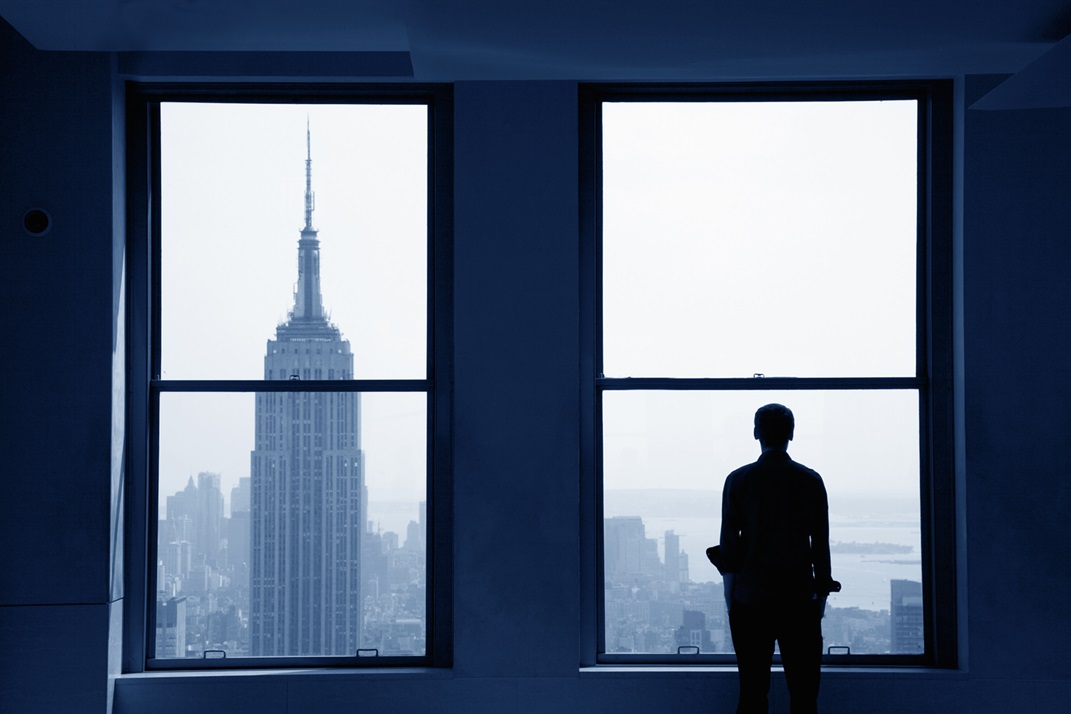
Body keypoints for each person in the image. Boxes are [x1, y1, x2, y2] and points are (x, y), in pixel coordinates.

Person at [713, 403, 840, 714]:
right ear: (791, 434)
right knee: (804, 695)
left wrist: (732, 598)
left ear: (756, 433)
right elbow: (820, 544)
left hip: (751, 599)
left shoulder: (738, 480)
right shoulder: (810, 480)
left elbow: (729, 547)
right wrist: (820, 596)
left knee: (752, 693)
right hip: (798, 599)